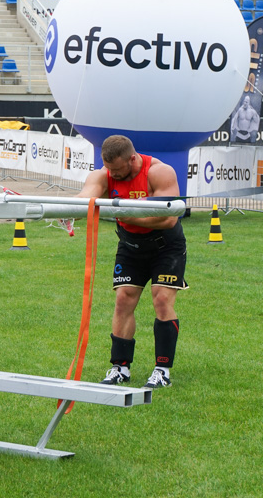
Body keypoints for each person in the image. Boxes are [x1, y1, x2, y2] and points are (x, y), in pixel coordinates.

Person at [76, 135, 187, 389]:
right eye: (109, 169)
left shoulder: (159, 172)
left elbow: (168, 219)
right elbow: (86, 198)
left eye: (117, 169)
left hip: (166, 248)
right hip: (130, 246)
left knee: (161, 299)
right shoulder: (104, 174)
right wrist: (67, 211)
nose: (112, 174)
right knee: (123, 299)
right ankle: (120, 367)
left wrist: (124, 213)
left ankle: (162, 370)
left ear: (132, 159)